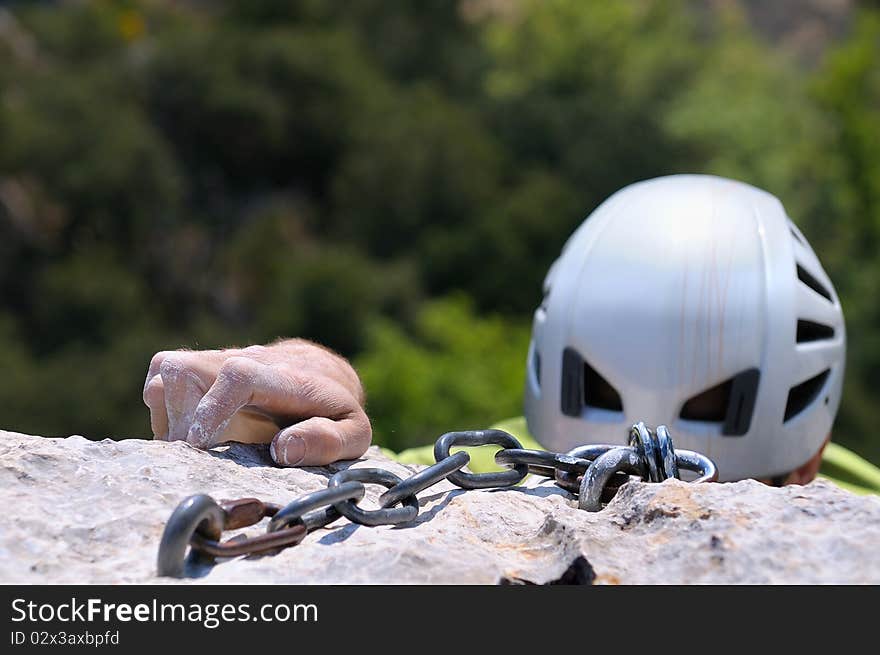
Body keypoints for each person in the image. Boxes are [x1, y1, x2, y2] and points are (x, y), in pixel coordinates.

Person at [143, 175, 880, 494]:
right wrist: (298, 372)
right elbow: (352, 438)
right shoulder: (487, 463)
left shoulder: (506, 464)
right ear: (811, 455)